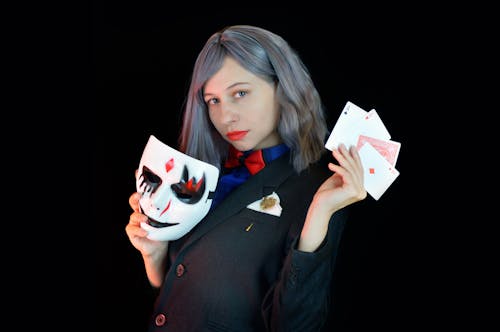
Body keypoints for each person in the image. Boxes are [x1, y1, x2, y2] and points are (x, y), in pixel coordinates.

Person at [126, 24, 367, 331]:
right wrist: (154, 255)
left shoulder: (322, 187)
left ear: (283, 87)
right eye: (213, 100)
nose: (226, 116)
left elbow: (296, 325)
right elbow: (180, 293)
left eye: (240, 93)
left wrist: (319, 212)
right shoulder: (200, 171)